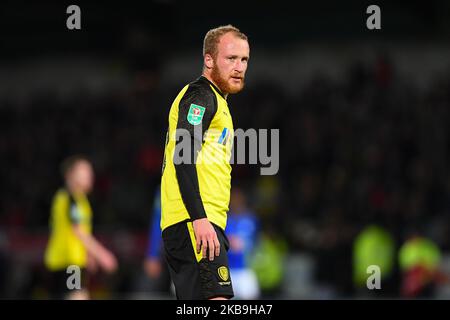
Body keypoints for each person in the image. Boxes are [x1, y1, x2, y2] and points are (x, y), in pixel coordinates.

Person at [160, 25, 250, 300]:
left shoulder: (218, 101)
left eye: (244, 59)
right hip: (195, 221)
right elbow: (183, 156)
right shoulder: (200, 95)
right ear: (209, 60)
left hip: (199, 222)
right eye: (230, 58)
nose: (239, 67)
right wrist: (200, 219)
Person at [44, 155, 118, 299]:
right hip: (68, 262)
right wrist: (102, 255)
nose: (90, 176)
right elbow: (78, 231)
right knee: (78, 296)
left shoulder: (80, 200)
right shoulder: (70, 198)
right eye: (84, 172)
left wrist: (88, 255)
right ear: (70, 174)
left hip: (69, 262)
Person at [226, 187, 260, 299]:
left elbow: (256, 241)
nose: (236, 201)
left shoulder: (251, 219)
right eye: (233, 198)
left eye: (238, 198)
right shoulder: (223, 219)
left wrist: (244, 244)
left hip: (245, 268)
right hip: (226, 270)